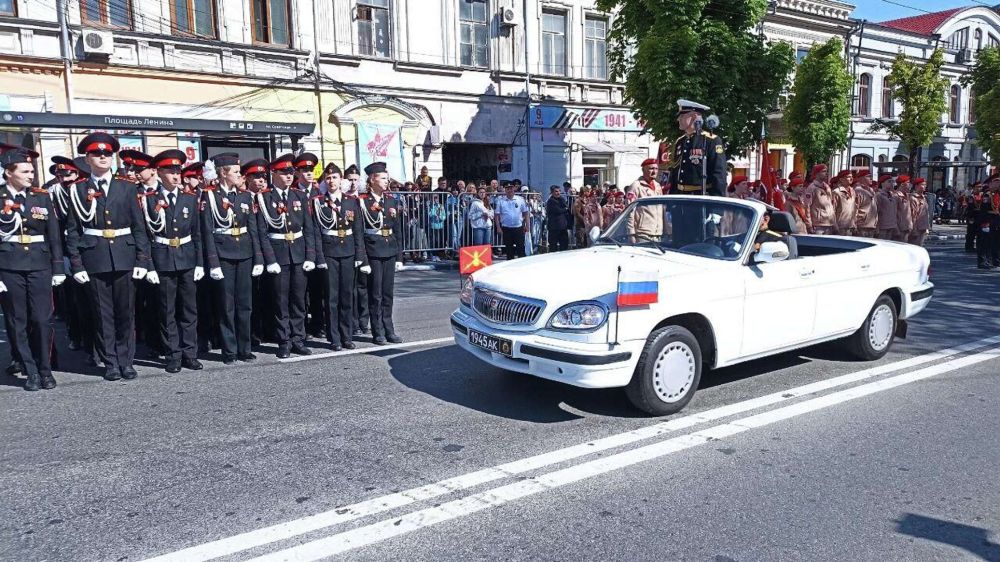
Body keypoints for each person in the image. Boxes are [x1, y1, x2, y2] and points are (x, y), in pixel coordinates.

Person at [64, 133, 152, 381]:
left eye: (106, 154)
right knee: (102, 315)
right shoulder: (78, 189)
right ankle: (110, 361)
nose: (102, 157)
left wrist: (142, 259)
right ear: (87, 159)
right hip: (94, 257)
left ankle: (126, 361)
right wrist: (76, 262)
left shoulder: (126, 186)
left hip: (124, 254)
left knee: (126, 313)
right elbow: (73, 229)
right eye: (96, 154)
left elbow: (139, 227)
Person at [0, 148, 65, 390]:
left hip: (39, 264)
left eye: (32, 170)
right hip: (9, 266)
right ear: (9, 173)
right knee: (18, 320)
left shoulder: (41, 197)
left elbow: (54, 235)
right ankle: (31, 371)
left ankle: (45, 368)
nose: (31, 175)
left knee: (42, 319)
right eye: (25, 171)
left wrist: (58, 267)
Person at [142, 150, 203, 373]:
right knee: (167, 310)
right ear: (159, 172)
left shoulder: (189, 198)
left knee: (189, 310)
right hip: (163, 257)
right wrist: (148, 264)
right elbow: (146, 235)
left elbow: (197, 234)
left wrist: (199, 263)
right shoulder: (149, 200)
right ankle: (173, 355)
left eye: (178, 171)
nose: (176, 175)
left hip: (186, 257)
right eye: (170, 171)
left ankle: (190, 353)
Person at [202, 153, 265, 364]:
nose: (240, 176)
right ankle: (229, 350)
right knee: (226, 305)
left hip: (245, 253)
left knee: (245, 304)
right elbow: (207, 231)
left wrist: (258, 259)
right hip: (223, 255)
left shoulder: (246, 196)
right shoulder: (209, 196)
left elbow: (253, 230)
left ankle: (244, 348)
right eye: (236, 172)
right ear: (223, 173)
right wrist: (213, 262)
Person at [258, 153, 316, 358]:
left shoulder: (299, 196)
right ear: (274, 174)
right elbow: (262, 232)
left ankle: (298, 338)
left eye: (291, 172)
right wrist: (270, 259)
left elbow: (309, 228)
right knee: (281, 301)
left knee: (298, 300)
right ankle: (284, 340)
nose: (289, 176)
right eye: (284, 172)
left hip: (298, 253)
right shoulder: (264, 197)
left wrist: (310, 256)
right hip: (279, 255)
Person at [313, 176, 367, 351]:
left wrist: (360, 254)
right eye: (327, 178)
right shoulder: (319, 202)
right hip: (330, 252)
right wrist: (319, 257)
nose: (331, 181)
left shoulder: (351, 202)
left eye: (334, 177)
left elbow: (358, 229)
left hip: (348, 251)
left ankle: (347, 335)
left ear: (340, 180)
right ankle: (334, 337)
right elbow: (316, 232)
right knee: (331, 297)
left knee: (347, 296)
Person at [360, 162, 402, 345]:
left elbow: (398, 230)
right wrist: (363, 259)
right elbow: (360, 231)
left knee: (387, 293)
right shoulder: (363, 202)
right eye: (383, 178)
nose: (387, 181)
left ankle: (389, 328)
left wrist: (400, 256)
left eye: (387, 177)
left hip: (390, 249)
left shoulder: (391, 200)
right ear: (372, 179)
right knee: (375, 294)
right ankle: (377, 331)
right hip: (373, 250)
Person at [668, 99, 726, 196]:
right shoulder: (680, 142)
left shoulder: (711, 140)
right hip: (680, 197)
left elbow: (719, 175)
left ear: (694, 116)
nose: (678, 119)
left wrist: (717, 206)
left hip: (701, 198)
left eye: (682, 116)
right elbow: (675, 174)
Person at [494, 182, 530, 259]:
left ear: (514, 189)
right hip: (506, 228)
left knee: (521, 249)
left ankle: (523, 267)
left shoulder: (520, 199)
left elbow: (526, 213)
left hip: (518, 228)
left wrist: (527, 226)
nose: (509, 190)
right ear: (505, 190)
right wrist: (498, 228)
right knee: (509, 250)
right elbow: (496, 215)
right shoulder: (500, 201)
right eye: (507, 188)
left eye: (511, 188)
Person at [545, 185, 571, 252]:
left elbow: (567, 208)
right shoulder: (551, 201)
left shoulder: (561, 199)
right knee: (553, 247)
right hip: (554, 228)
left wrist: (564, 209)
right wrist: (564, 209)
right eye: (556, 191)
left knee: (564, 245)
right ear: (552, 192)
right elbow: (558, 210)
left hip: (563, 227)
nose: (558, 193)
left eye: (559, 191)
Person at [853, 170, 878, 238]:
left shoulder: (871, 190)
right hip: (862, 225)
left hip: (872, 224)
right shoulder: (858, 190)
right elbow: (855, 208)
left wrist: (876, 220)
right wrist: (855, 224)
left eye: (871, 176)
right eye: (868, 176)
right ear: (861, 178)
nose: (871, 178)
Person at [833, 170, 857, 236]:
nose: (851, 178)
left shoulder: (853, 191)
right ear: (841, 179)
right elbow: (832, 211)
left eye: (852, 176)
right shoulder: (836, 192)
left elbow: (854, 209)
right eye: (848, 177)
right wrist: (835, 225)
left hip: (850, 226)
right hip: (840, 226)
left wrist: (854, 222)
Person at [875, 174, 899, 241]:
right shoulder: (879, 195)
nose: (892, 183)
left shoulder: (892, 195)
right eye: (889, 181)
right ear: (882, 183)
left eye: (892, 181)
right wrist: (877, 226)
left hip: (891, 225)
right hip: (882, 226)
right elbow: (876, 211)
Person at [908, 177, 930, 246]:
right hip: (916, 228)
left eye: (925, 184)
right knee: (914, 247)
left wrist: (926, 227)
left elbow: (926, 213)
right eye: (922, 184)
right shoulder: (913, 198)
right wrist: (914, 230)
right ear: (916, 186)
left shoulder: (923, 197)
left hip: (923, 227)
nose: (925, 186)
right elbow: (912, 215)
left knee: (920, 247)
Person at [894, 175, 913, 243]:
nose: (910, 185)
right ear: (902, 184)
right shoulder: (896, 196)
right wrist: (896, 229)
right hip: (900, 228)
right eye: (908, 182)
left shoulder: (907, 196)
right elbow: (893, 214)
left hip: (907, 227)